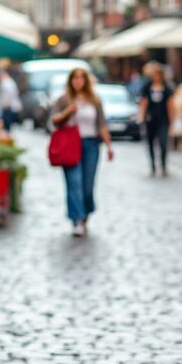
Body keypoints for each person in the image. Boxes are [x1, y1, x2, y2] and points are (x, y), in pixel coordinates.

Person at [51, 68, 115, 237]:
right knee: (74, 183)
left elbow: (102, 124)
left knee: (87, 185)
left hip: (91, 144)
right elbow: (54, 121)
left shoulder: (95, 100)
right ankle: (77, 219)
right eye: (75, 78)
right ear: (70, 81)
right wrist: (68, 112)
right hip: (70, 144)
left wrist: (108, 145)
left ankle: (85, 215)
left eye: (81, 78)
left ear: (86, 81)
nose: (78, 81)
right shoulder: (63, 100)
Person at [137, 62, 174, 176]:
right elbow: (144, 102)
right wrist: (141, 116)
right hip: (150, 119)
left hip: (163, 119)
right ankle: (153, 165)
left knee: (163, 142)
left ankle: (163, 165)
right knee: (150, 143)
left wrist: (172, 121)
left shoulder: (166, 88)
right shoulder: (147, 87)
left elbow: (170, 105)